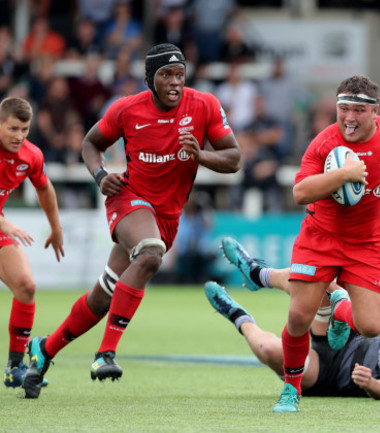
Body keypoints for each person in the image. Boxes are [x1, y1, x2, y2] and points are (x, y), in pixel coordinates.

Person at [22, 43, 241, 399]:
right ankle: (105, 353)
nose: (174, 82)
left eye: (179, 75)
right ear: (149, 80)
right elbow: (91, 143)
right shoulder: (126, 109)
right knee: (151, 253)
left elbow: (234, 159)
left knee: (104, 295)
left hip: (167, 215)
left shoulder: (204, 105)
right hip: (128, 199)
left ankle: (43, 350)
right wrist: (99, 174)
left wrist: (200, 154)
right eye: (166, 75)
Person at [271, 75, 380, 412]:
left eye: (358, 111)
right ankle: (291, 390)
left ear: (375, 112)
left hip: (368, 244)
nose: (349, 117)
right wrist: (344, 175)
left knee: (370, 326)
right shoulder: (323, 143)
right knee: (298, 319)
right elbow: (299, 192)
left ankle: (336, 304)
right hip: (320, 238)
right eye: (344, 109)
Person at [208, 236, 380, 400]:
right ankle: (258, 274)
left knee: (271, 350)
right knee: (318, 280)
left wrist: (372, 384)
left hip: (326, 374)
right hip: (345, 334)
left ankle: (238, 315)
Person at [0, 97, 64, 389]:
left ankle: (15, 368)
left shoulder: (31, 155)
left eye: (24, 129)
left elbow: (44, 188)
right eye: (13, 128)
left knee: (26, 286)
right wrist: (6, 224)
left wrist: (56, 227)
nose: (19, 136)